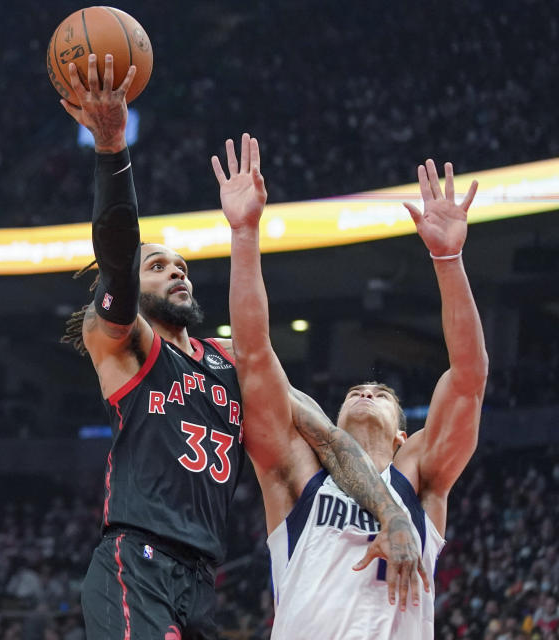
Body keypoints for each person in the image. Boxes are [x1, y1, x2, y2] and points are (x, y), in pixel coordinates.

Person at [59, 55, 425, 639]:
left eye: (182, 266)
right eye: (158, 266)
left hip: (201, 579)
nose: (177, 273)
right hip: (136, 562)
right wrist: (111, 147)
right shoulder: (121, 345)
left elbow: (330, 438)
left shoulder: (226, 363)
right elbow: (118, 244)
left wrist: (392, 514)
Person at [214, 136, 486, 638]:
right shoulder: (299, 475)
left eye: (382, 394)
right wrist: (244, 232)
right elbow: (254, 360)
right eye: (356, 391)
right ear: (332, 424)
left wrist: (449, 261)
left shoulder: (421, 481)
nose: (366, 392)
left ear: (405, 437)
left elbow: (468, 379)